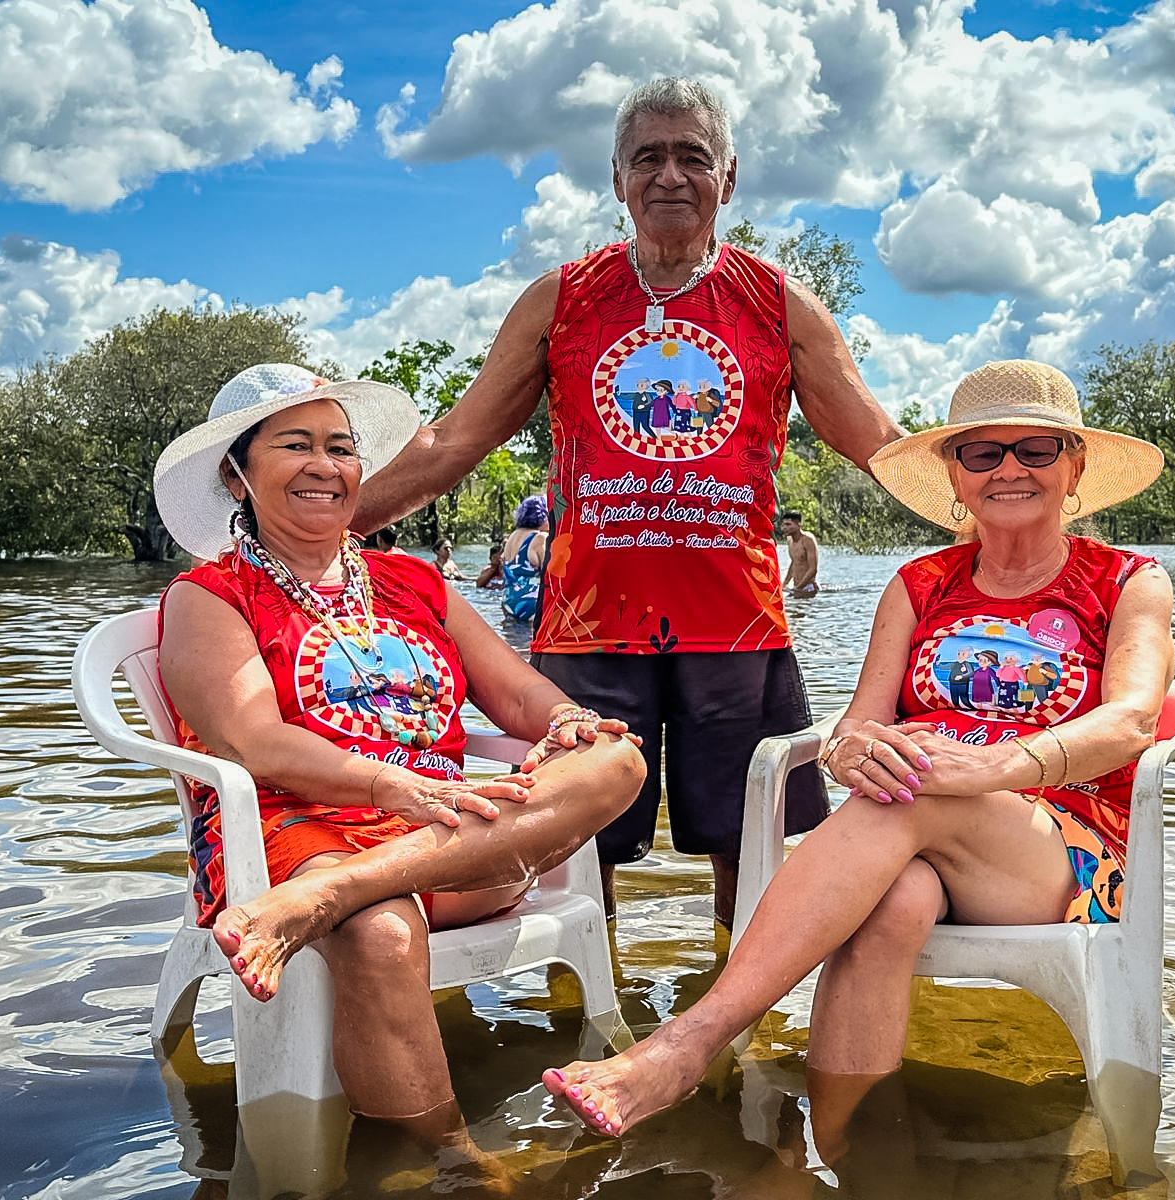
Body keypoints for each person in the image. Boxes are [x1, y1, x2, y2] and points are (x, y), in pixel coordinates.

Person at [541, 359, 1174, 1141]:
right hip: (914, 825)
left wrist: (990, 767)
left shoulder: (1126, 580)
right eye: (983, 453)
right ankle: (846, 1156)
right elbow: (856, 727)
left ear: (1073, 466)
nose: (1010, 469)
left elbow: (1132, 723)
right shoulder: (921, 582)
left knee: (912, 796)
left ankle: (688, 1041)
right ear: (956, 473)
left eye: (1035, 450)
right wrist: (852, 755)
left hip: (1060, 851)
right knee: (894, 901)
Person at [355, 78, 902, 928]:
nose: (671, 176)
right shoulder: (562, 299)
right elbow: (456, 440)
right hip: (587, 622)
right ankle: (594, 1020)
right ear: (617, 178)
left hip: (737, 623)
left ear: (730, 176)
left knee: (744, 838)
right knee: (581, 848)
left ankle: (734, 1029)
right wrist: (321, 520)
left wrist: (993, 511)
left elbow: (877, 442)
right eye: (649, 157)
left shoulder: (780, 304)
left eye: (693, 157)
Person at [151, 363, 646, 1144]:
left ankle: (333, 898)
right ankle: (447, 1167)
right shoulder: (210, 597)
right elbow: (254, 741)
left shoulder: (414, 580)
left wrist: (566, 721)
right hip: (298, 833)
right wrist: (393, 787)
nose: (327, 466)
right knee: (378, 930)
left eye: (342, 448)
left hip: (447, 839)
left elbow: (517, 698)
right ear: (235, 473)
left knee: (616, 759)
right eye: (296, 445)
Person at [501, 494, 549, 623]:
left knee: (513, 641)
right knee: (530, 641)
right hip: (530, 601)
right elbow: (550, 574)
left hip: (508, 600)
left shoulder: (511, 538)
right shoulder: (539, 538)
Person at [778, 510, 819, 597]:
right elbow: (794, 562)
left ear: (798, 524)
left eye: (788, 524)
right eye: (784, 524)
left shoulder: (808, 539)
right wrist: (784, 584)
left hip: (808, 588)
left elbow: (813, 569)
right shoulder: (789, 540)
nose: (784, 528)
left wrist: (799, 588)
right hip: (797, 587)